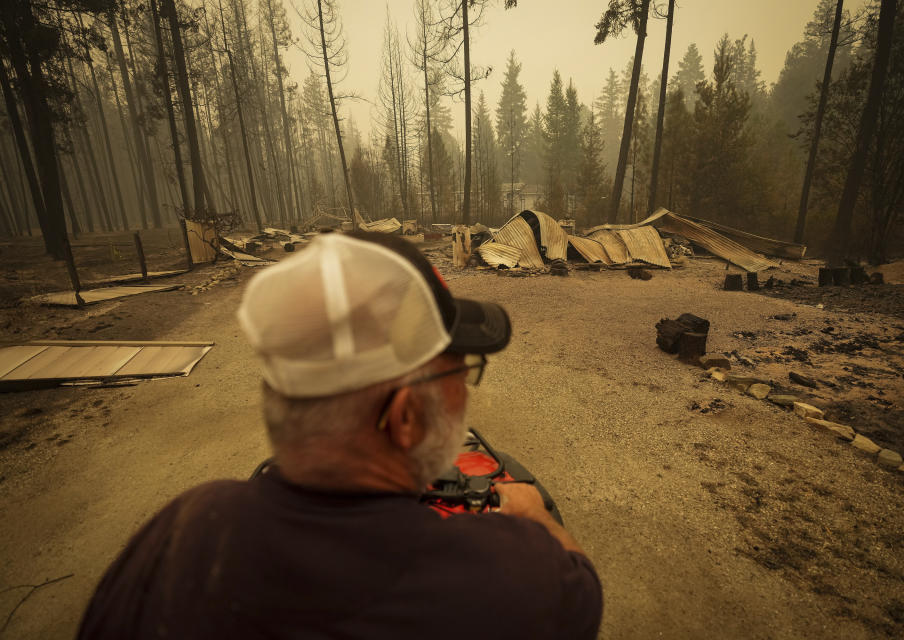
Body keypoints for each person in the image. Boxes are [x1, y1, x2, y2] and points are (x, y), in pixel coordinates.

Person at [77, 232, 602, 640]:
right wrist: (533, 518)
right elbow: (583, 591)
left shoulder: (177, 533)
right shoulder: (512, 579)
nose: (466, 395)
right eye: (459, 376)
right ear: (404, 419)